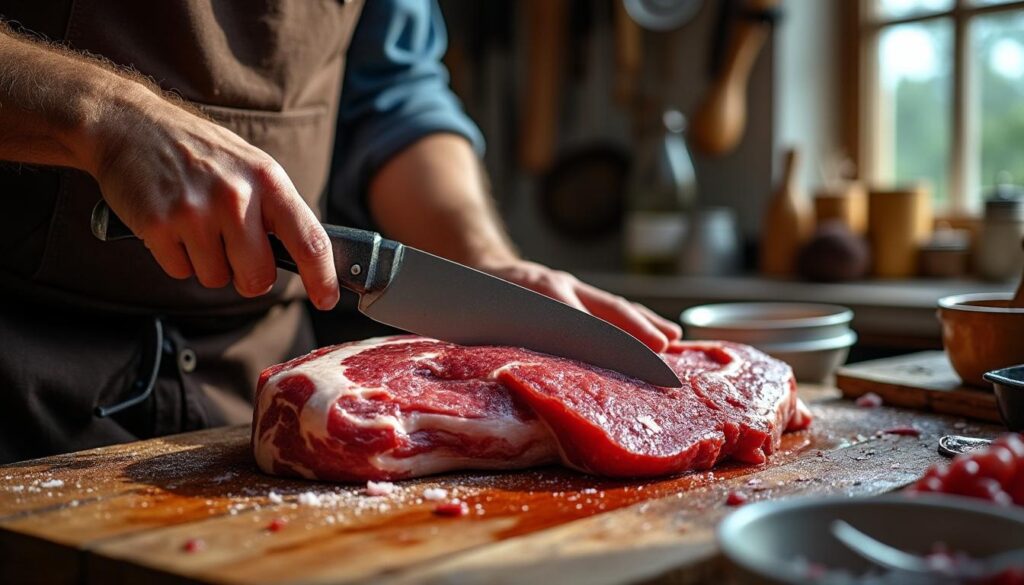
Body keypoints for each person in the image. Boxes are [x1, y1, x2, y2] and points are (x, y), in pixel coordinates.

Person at [0, 0, 681, 464]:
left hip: (257, 400)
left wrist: (485, 261)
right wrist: (105, 114)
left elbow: (393, 97)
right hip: (25, 384)